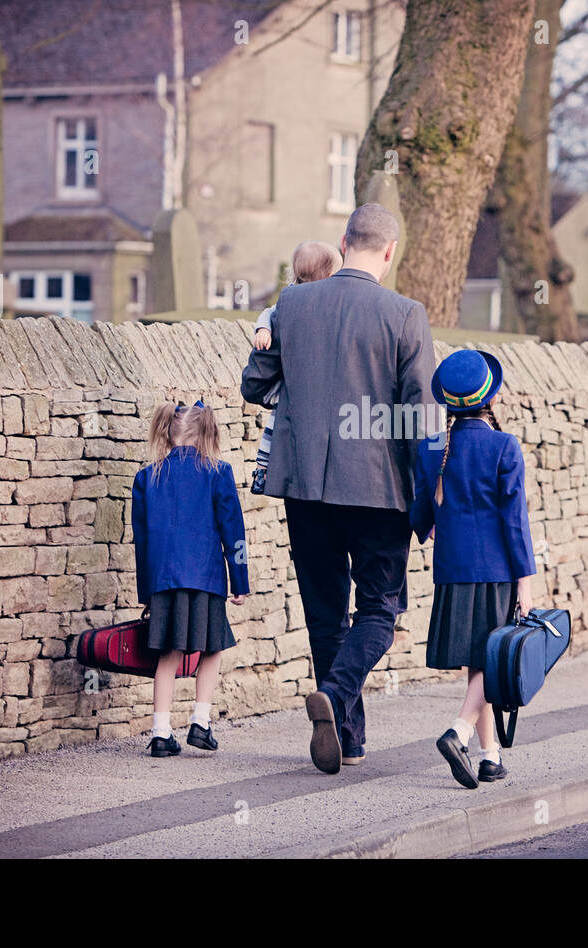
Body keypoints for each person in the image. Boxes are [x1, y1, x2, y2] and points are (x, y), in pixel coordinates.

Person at [241, 203, 436, 774]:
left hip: (304, 486)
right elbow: (421, 417)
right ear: (390, 252)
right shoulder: (405, 315)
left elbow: (255, 385)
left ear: (345, 241)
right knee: (379, 610)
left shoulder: (293, 302)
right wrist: (427, 498)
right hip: (379, 490)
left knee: (326, 613)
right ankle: (338, 693)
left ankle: (348, 739)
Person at [410, 349, 536, 789]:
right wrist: (525, 579)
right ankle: (459, 731)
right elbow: (514, 520)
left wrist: (431, 528)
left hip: (451, 571)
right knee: (490, 659)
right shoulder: (504, 446)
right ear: (492, 399)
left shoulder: (433, 448)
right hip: (496, 572)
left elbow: (420, 512)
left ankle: (490, 757)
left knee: (479, 664)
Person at [132, 400, 250, 758]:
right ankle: (200, 722)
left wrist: (146, 591)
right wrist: (239, 581)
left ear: (167, 434)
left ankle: (160, 733)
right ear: (206, 434)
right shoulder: (218, 472)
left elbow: (142, 541)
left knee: (169, 653)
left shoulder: (147, 477)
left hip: (164, 580)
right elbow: (234, 532)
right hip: (207, 577)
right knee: (212, 648)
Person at [249, 241, 343, 495]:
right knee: (278, 419)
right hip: (291, 377)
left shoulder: (323, 303)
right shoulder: (290, 300)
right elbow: (269, 313)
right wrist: (263, 329)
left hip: (304, 375)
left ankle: (265, 467)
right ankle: (263, 468)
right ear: (329, 276)